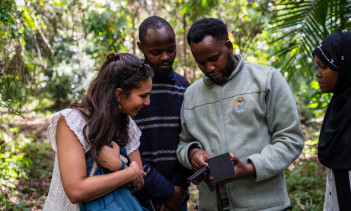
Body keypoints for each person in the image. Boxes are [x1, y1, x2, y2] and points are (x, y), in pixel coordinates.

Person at [176, 18, 305, 211]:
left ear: (229, 46)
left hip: (266, 206)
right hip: (212, 206)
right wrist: (193, 153)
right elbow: (184, 143)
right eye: (201, 63)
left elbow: (290, 139)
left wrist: (250, 168)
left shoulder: (266, 80)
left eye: (214, 58)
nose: (209, 68)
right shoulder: (191, 95)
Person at [43, 53, 153, 210]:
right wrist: (128, 173)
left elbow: (139, 179)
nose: (148, 102)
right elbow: (76, 190)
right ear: (119, 94)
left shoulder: (127, 124)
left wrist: (118, 166)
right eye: (143, 95)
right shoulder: (72, 122)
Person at [312, 30, 351, 211]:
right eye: (317, 66)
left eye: (324, 66)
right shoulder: (341, 104)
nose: (318, 74)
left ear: (347, 65)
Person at [133, 16, 191, 211]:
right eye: (156, 52)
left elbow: (190, 140)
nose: (165, 57)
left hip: (177, 197)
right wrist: (165, 191)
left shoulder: (184, 87)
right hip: (138, 195)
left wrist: (178, 189)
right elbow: (128, 147)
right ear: (141, 48)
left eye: (170, 49)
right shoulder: (129, 88)